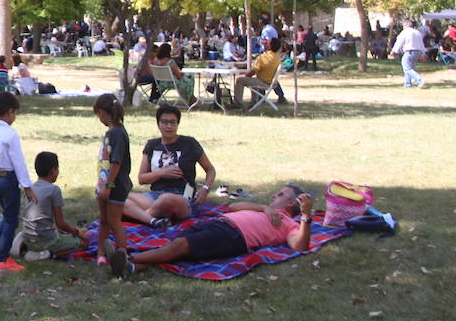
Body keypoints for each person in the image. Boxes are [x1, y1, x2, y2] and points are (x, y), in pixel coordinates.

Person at [126, 185, 315, 273]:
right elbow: (233, 207)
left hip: (234, 235)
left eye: (280, 194)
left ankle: (127, 259)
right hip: (218, 223)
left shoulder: (290, 224)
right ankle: (135, 266)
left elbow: (299, 246)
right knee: (176, 245)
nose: (274, 195)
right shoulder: (265, 209)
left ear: (291, 203)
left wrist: (306, 216)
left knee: (181, 246)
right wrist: (264, 208)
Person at [122, 105, 216, 228]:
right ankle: (154, 220)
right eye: (165, 122)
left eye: (173, 122)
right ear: (158, 124)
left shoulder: (189, 143)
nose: (169, 126)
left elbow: (210, 170)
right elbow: (142, 178)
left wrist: (205, 189)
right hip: (154, 196)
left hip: (182, 197)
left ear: (178, 124)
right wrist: (162, 173)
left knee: (167, 199)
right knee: (119, 197)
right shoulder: (152, 145)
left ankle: (141, 218)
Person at [0, 91, 36, 274]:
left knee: (5, 216)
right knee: (11, 220)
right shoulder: (10, 135)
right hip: (9, 178)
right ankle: (3, 259)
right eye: (15, 114)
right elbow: (18, 162)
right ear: (10, 112)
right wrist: (26, 187)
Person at [11, 151, 89, 261]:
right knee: (84, 244)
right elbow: (61, 223)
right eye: (57, 169)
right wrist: (78, 233)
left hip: (28, 236)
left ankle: (26, 246)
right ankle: (47, 254)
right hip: (45, 240)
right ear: (53, 171)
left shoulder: (30, 188)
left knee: (57, 233)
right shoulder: (54, 190)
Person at [91, 93, 133, 277]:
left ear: (102, 112)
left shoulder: (117, 133)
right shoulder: (112, 132)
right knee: (104, 220)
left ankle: (123, 253)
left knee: (114, 221)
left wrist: (108, 185)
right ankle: (101, 253)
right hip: (104, 184)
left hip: (115, 185)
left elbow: (116, 162)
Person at [232, 36, 283, 107]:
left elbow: (253, 71)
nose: (265, 43)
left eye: (267, 43)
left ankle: (237, 103)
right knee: (253, 80)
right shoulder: (277, 57)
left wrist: (246, 76)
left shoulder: (263, 57)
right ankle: (254, 102)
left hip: (263, 82)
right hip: (272, 83)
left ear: (270, 46)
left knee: (240, 80)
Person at [389, 19, 428, 88]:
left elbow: (399, 42)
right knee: (410, 67)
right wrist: (423, 53)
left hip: (409, 51)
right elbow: (422, 44)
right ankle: (408, 84)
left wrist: (394, 51)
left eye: (403, 25)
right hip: (417, 51)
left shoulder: (405, 32)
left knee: (407, 68)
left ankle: (420, 80)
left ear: (405, 25)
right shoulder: (417, 32)